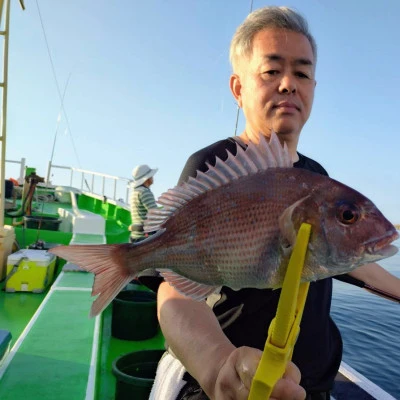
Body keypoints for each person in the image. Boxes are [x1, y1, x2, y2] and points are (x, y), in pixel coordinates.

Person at [143, 6, 400, 400]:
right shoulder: (210, 166)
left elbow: (355, 260)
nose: (288, 84)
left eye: (301, 72)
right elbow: (176, 291)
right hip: (235, 383)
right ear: (238, 88)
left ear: (314, 86)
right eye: (271, 70)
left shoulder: (316, 175)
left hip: (314, 384)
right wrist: (216, 366)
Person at [129, 164, 158, 243]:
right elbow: (156, 215)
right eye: (151, 176)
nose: (153, 178)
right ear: (147, 178)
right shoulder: (145, 192)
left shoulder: (135, 192)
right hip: (145, 237)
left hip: (135, 236)